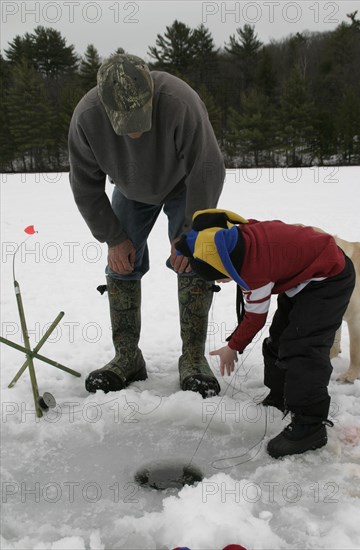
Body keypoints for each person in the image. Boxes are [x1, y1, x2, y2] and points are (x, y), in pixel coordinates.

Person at [68, 53, 225, 397]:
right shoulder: (87, 118)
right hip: (130, 188)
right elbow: (85, 186)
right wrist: (113, 238)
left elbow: (207, 170)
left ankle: (194, 359)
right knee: (121, 263)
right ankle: (127, 357)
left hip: (186, 184)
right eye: (126, 122)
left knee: (193, 259)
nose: (135, 132)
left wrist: (190, 233)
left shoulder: (179, 102)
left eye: (140, 118)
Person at [175, 208, 355, 458]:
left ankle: (310, 426)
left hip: (329, 279)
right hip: (303, 278)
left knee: (303, 349)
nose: (222, 283)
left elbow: (254, 319)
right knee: (280, 338)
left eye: (222, 277)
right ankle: (280, 395)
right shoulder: (238, 236)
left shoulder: (255, 272)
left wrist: (233, 346)